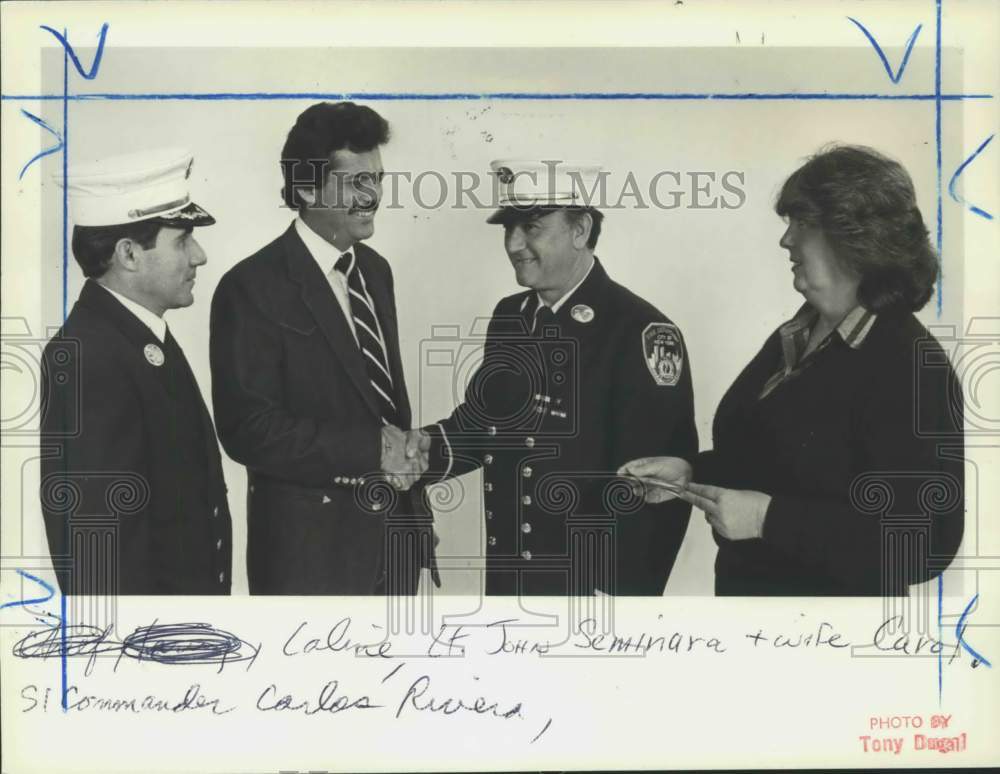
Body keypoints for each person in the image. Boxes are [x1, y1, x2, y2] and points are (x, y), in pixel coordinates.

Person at [620, 145, 964, 596]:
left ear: (855, 236)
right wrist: (690, 473)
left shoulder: (910, 366)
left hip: (833, 644)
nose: (786, 240)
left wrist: (769, 520)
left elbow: (925, 543)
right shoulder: (800, 331)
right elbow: (776, 460)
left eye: (803, 223)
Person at [409, 160, 698, 596]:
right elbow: (483, 428)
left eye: (531, 228)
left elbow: (655, 488)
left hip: (589, 592)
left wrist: (618, 600)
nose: (513, 244)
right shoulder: (511, 317)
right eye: (508, 230)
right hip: (509, 578)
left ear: (580, 230)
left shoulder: (640, 331)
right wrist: (411, 452)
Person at [210, 101, 435, 595]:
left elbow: (377, 402)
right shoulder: (250, 286)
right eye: (357, 182)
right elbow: (248, 431)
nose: (374, 195)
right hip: (312, 563)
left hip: (394, 547)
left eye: (378, 179)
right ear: (307, 187)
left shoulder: (375, 271)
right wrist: (373, 449)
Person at [40, 147, 232, 595]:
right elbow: (98, 551)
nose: (199, 256)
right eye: (183, 239)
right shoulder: (91, 355)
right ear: (128, 254)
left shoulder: (138, 337)